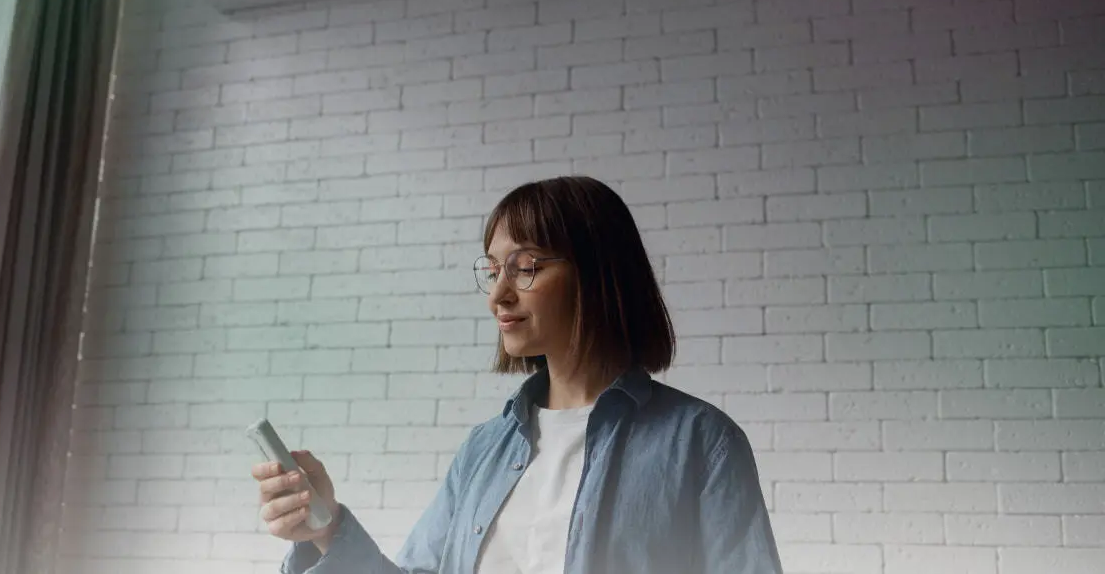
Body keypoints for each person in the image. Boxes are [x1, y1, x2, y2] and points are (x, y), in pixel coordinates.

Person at [251, 175, 783, 574]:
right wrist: (327, 529)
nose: (498, 295)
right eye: (493, 268)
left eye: (526, 266)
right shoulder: (485, 449)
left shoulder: (702, 443)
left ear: (599, 272)